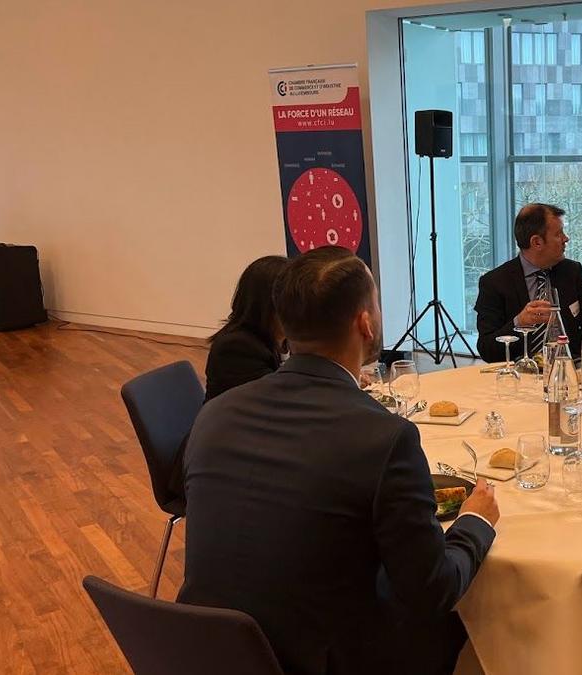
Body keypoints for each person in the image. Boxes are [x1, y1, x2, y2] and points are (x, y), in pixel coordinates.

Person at [179, 246, 499, 675]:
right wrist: (475, 522)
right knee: (467, 625)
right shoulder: (385, 438)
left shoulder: (214, 414)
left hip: (202, 650)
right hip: (317, 660)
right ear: (365, 322)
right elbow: (432, 590)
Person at [475, 203, 582, 363]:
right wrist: (519, 322)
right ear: (537, 242)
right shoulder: (494, 283)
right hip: (522, 372)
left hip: (570, 369)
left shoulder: (572, 272)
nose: (566, 238)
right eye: (559, 234)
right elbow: (486, 349)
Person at [203, 255, 288, 402]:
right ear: (266, 304)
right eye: (292, 301)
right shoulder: (236, 347)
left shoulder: (287, 338)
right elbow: (276, 400)